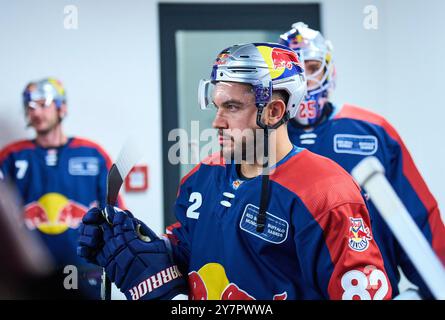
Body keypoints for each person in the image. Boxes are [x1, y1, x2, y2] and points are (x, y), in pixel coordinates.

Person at [78, 43, 392, 300]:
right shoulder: (202, 177)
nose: (217, 122)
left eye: (231, 107)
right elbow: (189, 252)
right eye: (217, 107)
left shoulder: (326, 192)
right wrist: (140, 244)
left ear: (274, 111)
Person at [279, 22, 445, 298]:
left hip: (368, 287)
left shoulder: (373, 130)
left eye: (311, 68)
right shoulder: (265, 139)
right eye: (296, 71)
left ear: (328, 70)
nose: (305, 82)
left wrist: (436, 284)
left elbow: (416, 217)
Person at [0, 77, 122, 299]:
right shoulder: (10, 157)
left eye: (43, 104)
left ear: (61, 107)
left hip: (85, 270)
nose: (36, 112)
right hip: (31, 277)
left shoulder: (93, 154)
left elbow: (115, 215)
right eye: (30, 106)